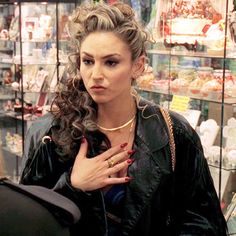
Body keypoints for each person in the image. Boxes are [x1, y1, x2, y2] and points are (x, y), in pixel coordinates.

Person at [20, 2, 227, 236]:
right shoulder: (53, 132)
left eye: (111, 62)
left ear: (137, 66)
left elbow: (203, 222)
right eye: (88, 61)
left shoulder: (173, 133)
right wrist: (72, 185)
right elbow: (27, 219)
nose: (95, 74)